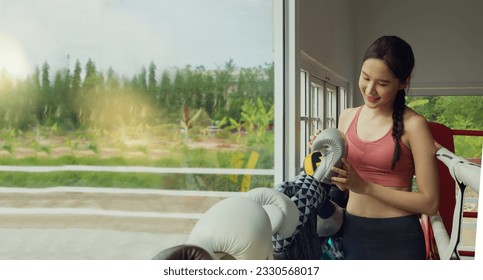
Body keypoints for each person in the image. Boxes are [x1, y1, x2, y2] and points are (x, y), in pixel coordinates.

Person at [310, 35, 440, 260]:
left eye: (383, 83)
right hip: (352, 233)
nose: (370, 89)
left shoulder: (414, 125)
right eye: (365, 77)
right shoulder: (347, 117)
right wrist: (325, 154)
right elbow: (342, 186)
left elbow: (430, 202)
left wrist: (365, 187)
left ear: (404, 82)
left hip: (399, 239)